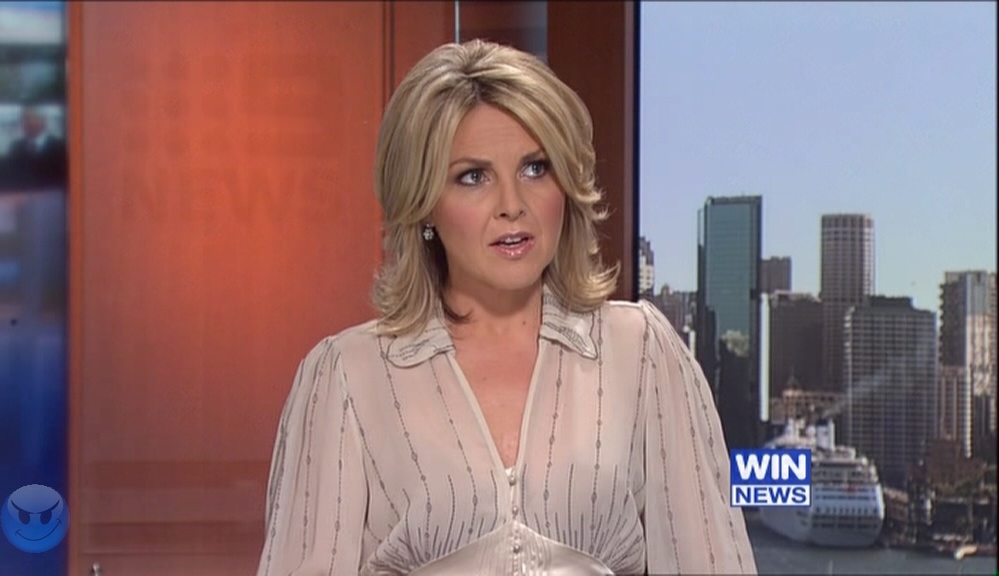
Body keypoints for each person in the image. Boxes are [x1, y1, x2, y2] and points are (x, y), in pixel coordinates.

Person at [257, 39, 757, 575]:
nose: (512, 205)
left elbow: (709, 560)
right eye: (473, 177)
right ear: (423, 205)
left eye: (535, 168)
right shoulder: (348, 377)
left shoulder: (642, 353)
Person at [8, 105, 68, 187]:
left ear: (44, 121)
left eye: (31, 118)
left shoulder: (59, 146)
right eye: (24, 119)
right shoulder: (15, 147)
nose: (27, 123)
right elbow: (12, 176)